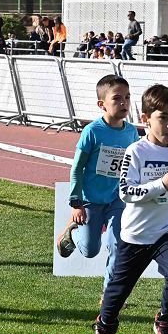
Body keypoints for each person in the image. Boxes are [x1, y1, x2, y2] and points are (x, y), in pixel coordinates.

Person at [93, 84, 168, 334]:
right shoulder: (136, 152)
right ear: (145, 119)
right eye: (163, 117)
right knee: (118, 291)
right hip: (136, 234)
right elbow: (126, 192)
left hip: (167, 230)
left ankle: (166, 326)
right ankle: (105, 326)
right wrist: (161, 184)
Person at [56, 75, 139, 296]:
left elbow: (133, 166)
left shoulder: (132, 132)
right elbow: (77, 168)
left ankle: (108, 294)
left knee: (117, 245)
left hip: (116, 199)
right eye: (117, 98)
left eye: (128, 98)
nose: (124, 103)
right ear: (101, 104)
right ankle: (72, 234)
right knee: (90, 251)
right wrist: (76, 203)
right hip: (90, 199)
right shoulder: (92, 131)